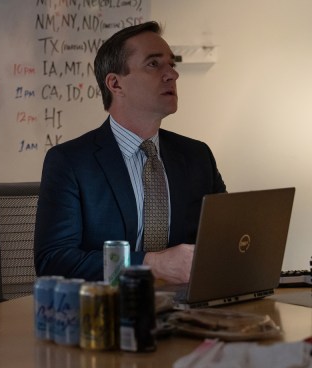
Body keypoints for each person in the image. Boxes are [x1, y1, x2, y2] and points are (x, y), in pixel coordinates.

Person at [34, 21, 226, 285]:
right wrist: (151, 264)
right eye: (154, 64)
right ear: (115, 83)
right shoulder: (71, 162)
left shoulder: (197, 156)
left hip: (189, 311)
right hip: (108, 312)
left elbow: (227, 238)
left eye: (172, 64)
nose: (172, 74)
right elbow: (54, 260)